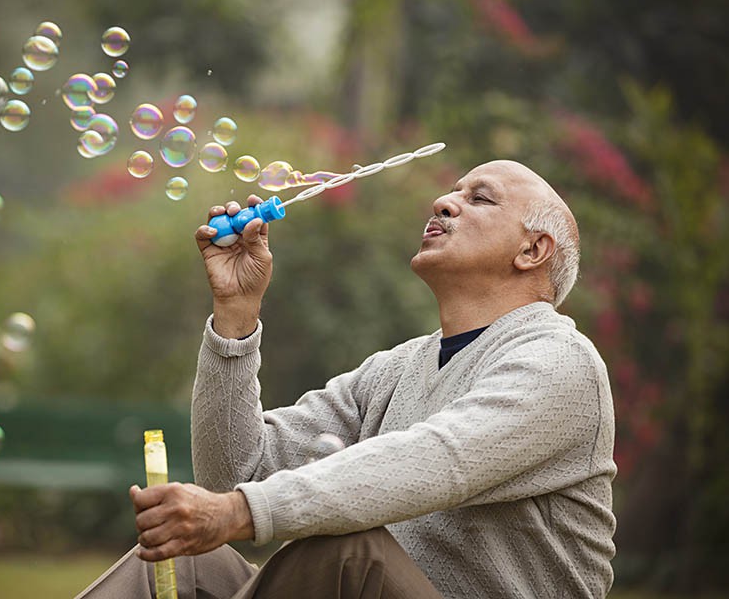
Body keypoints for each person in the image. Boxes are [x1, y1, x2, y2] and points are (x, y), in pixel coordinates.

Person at [76, 160, 617, 598]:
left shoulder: (561, 362)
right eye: (452, 191)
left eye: (480, 198)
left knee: (348, 552)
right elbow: (234, 472)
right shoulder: (396, 369)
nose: (442, 202)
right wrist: (235, 315)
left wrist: (238, 512)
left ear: (532, 251)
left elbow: (439, 459)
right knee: (183, 564)